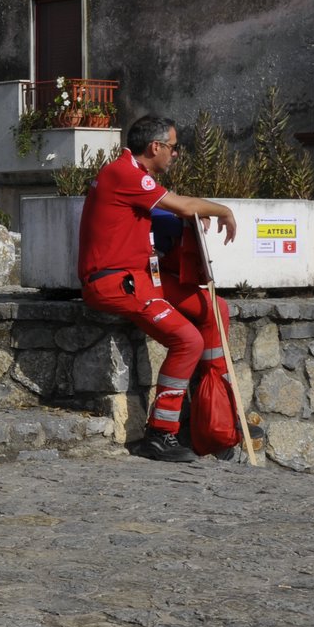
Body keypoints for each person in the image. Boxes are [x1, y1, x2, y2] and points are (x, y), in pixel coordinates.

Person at [78, 114, 239, 463]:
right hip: (116, 281)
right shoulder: (124, 173)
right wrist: (222, 210)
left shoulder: (133, 176)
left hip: (138, 274)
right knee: (188, 340)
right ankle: (160, 433)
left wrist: (188, 214)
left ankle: (215, 409)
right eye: (174, 147)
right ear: (156, 147)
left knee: (215, 308)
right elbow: (181, 204)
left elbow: (162, 212)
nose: (176, 154)